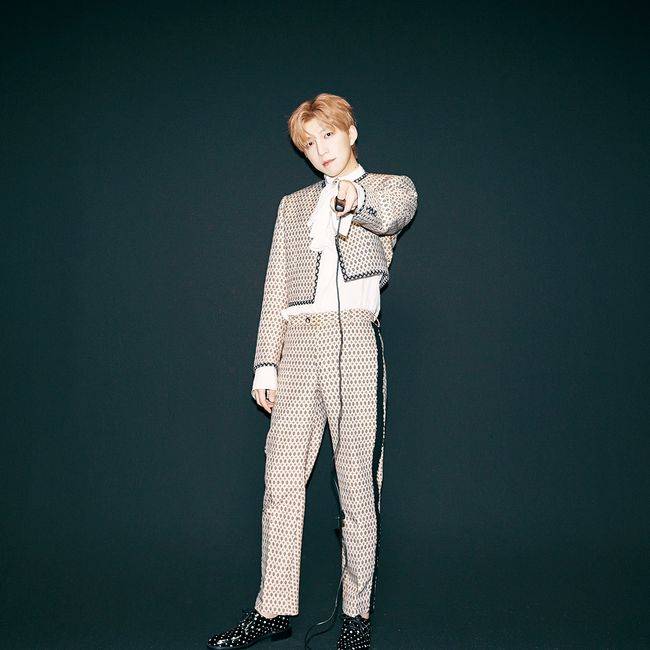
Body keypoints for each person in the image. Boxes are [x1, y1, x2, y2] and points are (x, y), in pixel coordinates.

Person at [207, 93, 417, 649]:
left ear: (350, 132)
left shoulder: (391, 187)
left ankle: (355, 616)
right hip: (298, 345)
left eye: (328, 135)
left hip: (354, 342)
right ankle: (273, 608)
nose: (320, 150)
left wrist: (355, 197)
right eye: (308, 143)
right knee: (281, 478)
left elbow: (392, 212)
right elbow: (275, 285)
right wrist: (265, 363)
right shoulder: (292, 205)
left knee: (357, 483)